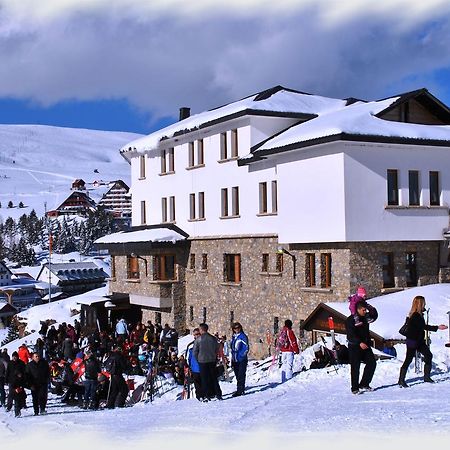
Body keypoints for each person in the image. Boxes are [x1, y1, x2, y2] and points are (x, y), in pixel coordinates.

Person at [398, 295, 448, 387]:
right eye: (423, 302)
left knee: (428, 355)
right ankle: (401, 380)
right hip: (412, 341)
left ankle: (427, 377)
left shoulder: (419, 314)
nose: (425, 304)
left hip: (419, 341)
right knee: (408, 360)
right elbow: (423, 327)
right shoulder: (415, 315)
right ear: (420, 304)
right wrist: (438, 327)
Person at [345, 300, 378, 394]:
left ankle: (364, 383)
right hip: (354, 346)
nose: (365, 312)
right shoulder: (351, 320)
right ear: (358, 309)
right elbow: (350, 335)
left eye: (365, 310)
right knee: (355, 367)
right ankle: (355, 388)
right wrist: (359, 342)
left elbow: (374, 315)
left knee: (372, 363)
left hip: (366, 345)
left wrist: (368, 306)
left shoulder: (366, 318)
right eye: (363, 310)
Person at [193, 323, 222, 401]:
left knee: (204, 379)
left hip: (202, 361)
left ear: (201, 330)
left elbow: (195, 352)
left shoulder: (198, 340)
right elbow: (217, 349)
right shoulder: (213, 338)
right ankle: (218, 394)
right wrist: (214, 357)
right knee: (214, 378)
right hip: (212, 360)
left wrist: (198, 360)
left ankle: (207, 395)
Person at [5, 352, 27, 417]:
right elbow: (7, 372)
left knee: (20, 396)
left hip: (20, 382)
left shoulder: (21, 363)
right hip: (11, 382)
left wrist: (22, 376)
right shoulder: (10, 363)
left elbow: (25, 372)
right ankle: (9, 406)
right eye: (13, 356)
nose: (14, 358)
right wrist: (6, 380)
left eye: (15, 356)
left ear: (18, 357)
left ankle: (21, 406)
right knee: (11, 395)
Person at [230, 322, 249, 397]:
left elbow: (246, 348)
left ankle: (240, 390)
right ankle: (240, 388)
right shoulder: (234, 336)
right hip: (235, 359)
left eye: (238, 328)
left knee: (241, 374)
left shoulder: (243, 336)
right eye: (235, 328)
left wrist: (241, 356)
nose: (237, 329)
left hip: (241, 359)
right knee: (237, 374)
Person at [186, 328, 203, 400]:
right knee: (197, 383)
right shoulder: (191, 345)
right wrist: (189, 366)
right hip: (195, 368)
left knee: (204, 382)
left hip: (203, 366)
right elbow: (189, 357)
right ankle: (199, 396)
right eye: (195, 335)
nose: (196, 336)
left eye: (198, 334)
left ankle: (205, 395)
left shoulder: (204, 343)